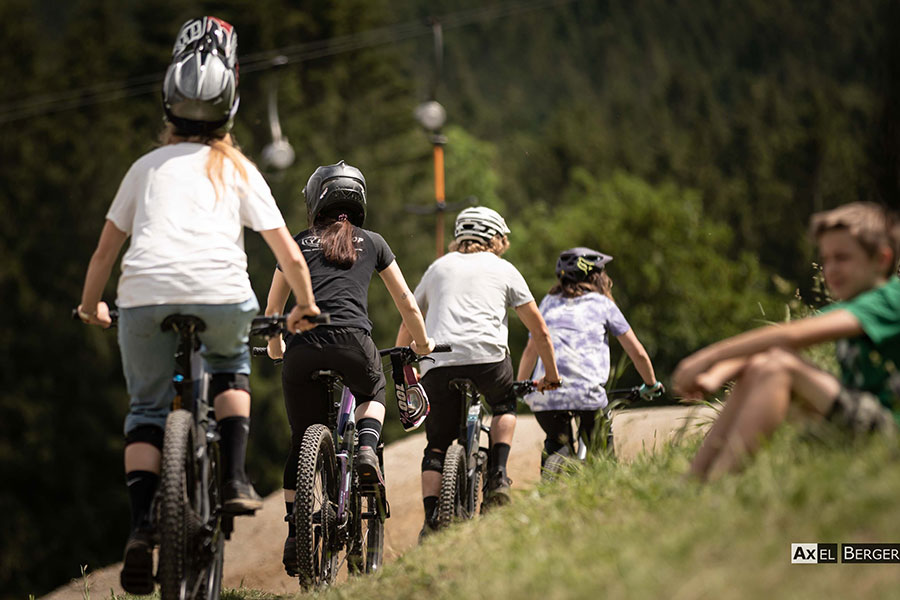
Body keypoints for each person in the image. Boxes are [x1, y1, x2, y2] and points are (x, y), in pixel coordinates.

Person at [76, 17, 320, 595]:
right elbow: (289, 256)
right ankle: (234, 478)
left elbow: (103, 254)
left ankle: (141, 529)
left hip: (141, 299)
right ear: (230, 110)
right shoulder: (238, 169)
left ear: (169, 107)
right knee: (232, 365)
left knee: (145, 410)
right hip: (220, 295)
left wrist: (92, 308)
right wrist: (304, 305)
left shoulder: (142, 169)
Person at [264, 160, 434, 575]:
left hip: (302, 347)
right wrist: (423, 343)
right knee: (373, 389)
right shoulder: (373, 242)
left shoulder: (298, 242)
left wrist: (276, 347)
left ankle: (293, 534)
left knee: (300, 439)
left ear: (315, 199)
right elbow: (407, 303)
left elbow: (272, 310)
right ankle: (364, 450)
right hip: (354, 344)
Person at [672, 202, 900, 481]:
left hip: (889, 431)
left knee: (780, 367)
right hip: (862, 419)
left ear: (882, 259)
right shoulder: (851, 307)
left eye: (842, 258)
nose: (830, 269)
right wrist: (714, 376)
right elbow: (770, 345)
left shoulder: (890, 299)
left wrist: (706, 357)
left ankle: (720, 484)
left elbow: (790, 336)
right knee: (761, 363)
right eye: (826, 259)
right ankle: (694, 480)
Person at [396, 206, 562, 536]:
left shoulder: (437, 267)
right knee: (503, 404)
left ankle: (431, 521)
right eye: (504, 239)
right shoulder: (504, 269)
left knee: (436, 445)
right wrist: (552, 376)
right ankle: (498, 476)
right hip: (488, 359)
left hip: (437, 360)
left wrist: (404, 360)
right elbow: (540, 331)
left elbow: (409, 315)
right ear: (494, 239)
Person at [517, 247, 664, 464]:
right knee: (601, 452)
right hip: (587, 396)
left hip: (546, 395)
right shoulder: (603, 305)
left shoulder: (548, 302)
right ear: (595, 275)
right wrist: (651, 384)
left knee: (556, 443)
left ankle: (550, 481)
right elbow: (637, 352)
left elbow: (531, 349)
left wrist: (522, 385)